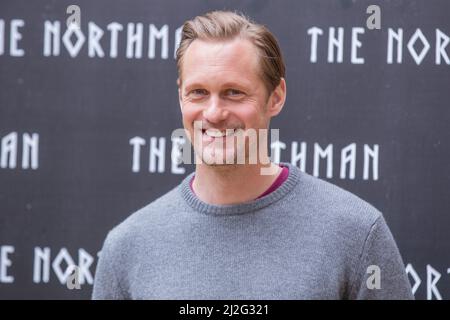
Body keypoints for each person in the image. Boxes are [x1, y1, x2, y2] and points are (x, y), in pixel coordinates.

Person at [92, 10, 413, 299]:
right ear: (180, 96)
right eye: (198, 92)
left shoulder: (356, 235)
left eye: (234, 92)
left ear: (276, 97)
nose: (214, 112)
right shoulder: (127, 247)